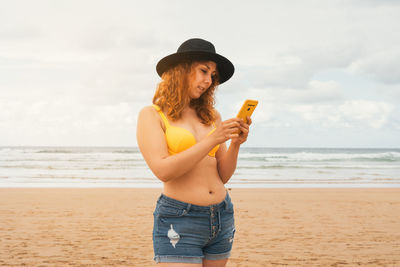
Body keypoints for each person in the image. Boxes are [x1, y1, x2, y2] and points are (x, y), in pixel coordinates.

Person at [136, 38, 252, 266]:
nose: (208, 81)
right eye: (203, 71)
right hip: (179, 219)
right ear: (181, 70)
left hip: (222, 214)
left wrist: (235, 143)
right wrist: (214, 139)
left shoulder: (211, 116)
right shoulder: (152, 114)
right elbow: (163, 170)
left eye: (213, 75)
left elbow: (223, 175)